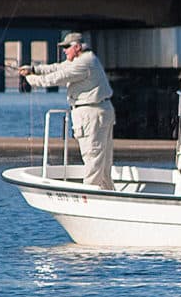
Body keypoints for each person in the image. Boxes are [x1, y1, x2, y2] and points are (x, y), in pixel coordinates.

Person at [19, 32, 116, 190]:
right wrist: (33, 69)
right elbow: (57, 67)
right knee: (102, 161)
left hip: (91, 114)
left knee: (93, 158)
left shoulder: (83, 63)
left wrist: (31, 79)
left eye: (67, 47)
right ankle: (107, 193)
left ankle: (90, 196)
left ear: (77, 47)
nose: (64, 51)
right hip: (99, 111)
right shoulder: (83, 59)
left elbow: (57, 77)